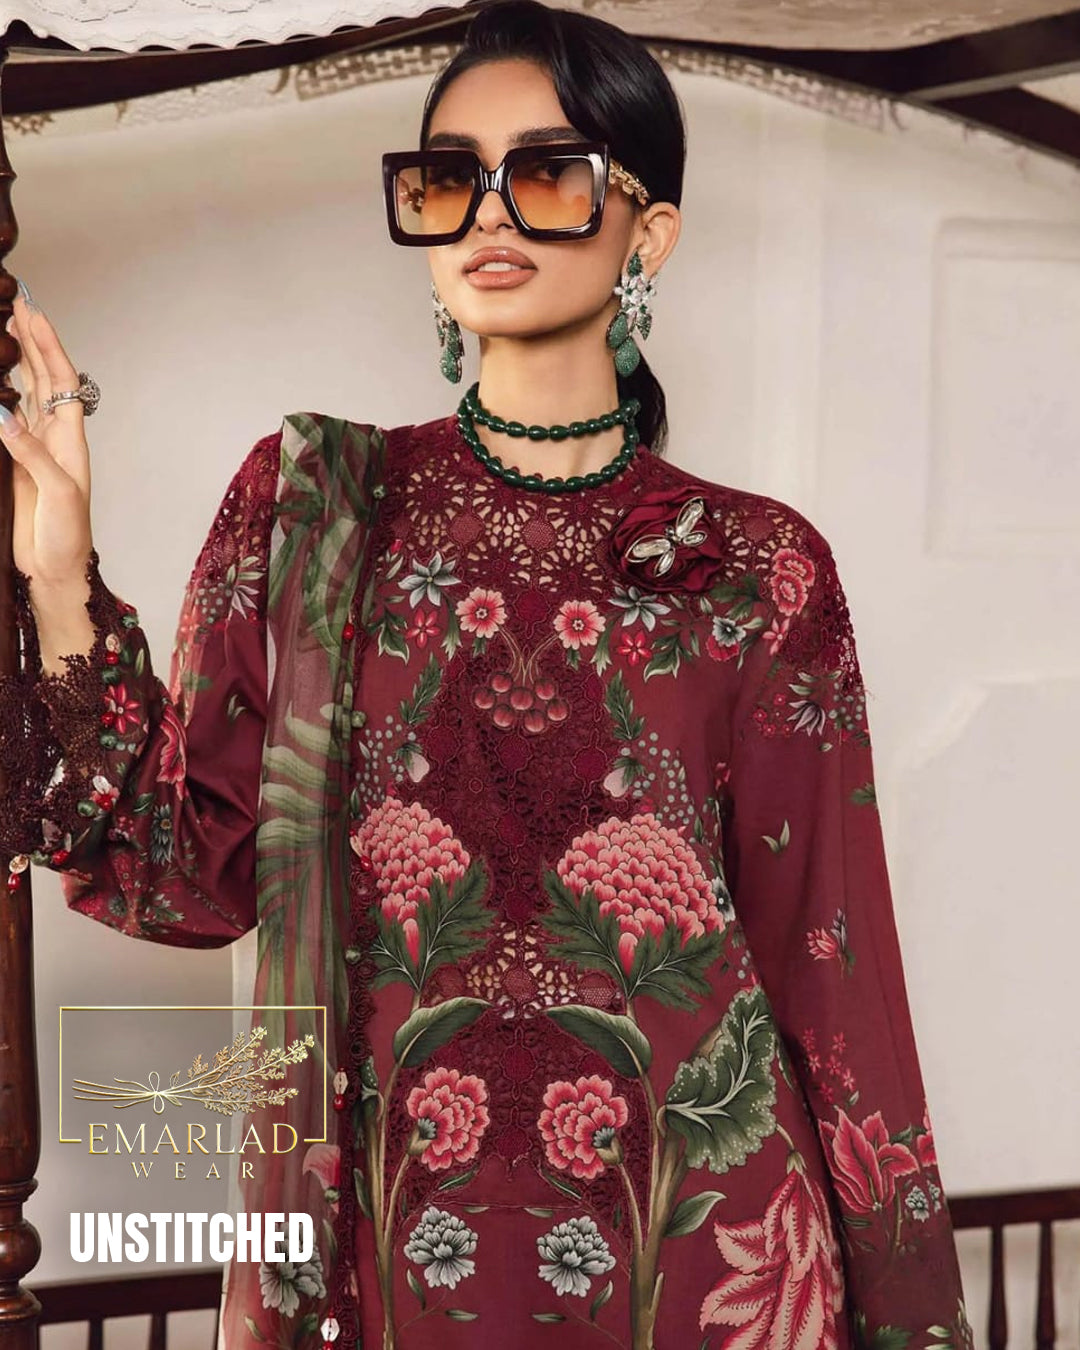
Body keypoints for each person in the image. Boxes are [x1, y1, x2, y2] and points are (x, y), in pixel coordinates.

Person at [0, 2, 973, 1346]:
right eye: (451, 177)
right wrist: (60, 582)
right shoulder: (314, 508)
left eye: (550, 174)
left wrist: (912, 1319)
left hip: (698, 1270)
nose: (490, 214)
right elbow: (186, 873)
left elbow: (832, 969)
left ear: (649, 233)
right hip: (380, 1251)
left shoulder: (758, 566)